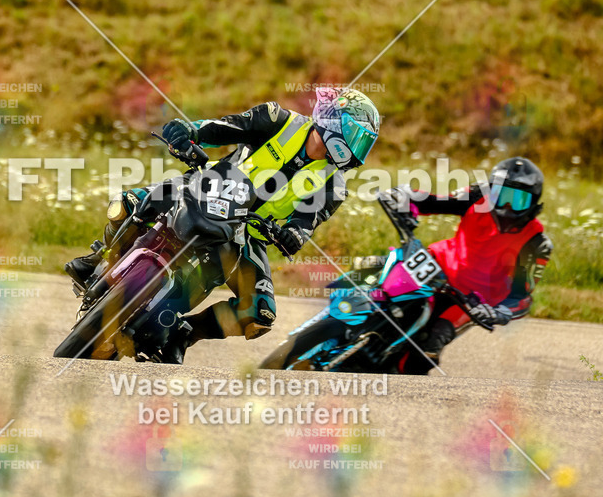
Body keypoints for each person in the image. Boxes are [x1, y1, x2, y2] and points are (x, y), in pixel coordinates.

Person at [65, 88, 381, 363]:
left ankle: (182, 335)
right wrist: (190, 132)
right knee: (127, 205)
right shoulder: (277, 119)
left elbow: (306, 223)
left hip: (249, 233)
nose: (353, 152)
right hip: (208, 186)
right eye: (353, 137)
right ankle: (100, 259)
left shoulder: (334, 187)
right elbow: (225, 127)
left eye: (362, 144)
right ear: (330, 122)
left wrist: (292, 235)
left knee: (260, 313)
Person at [384, 157, 552, 374]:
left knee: (428, 349)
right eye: (501, 196)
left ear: (534, 204)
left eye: (518, 200)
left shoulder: (537, 243)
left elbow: (521, 297)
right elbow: (434, 202)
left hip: (472, 301)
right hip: (436, 265)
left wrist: (499, 312)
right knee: (383, 292)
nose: (507, 206)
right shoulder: (477, 196)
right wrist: (405, 197)